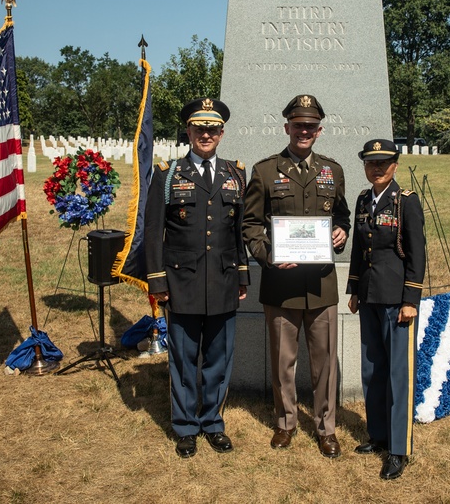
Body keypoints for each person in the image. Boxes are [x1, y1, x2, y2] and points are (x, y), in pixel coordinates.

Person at [242, 94, 351, 458]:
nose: (303, 131)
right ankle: (285, 422)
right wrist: (268, 254)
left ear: (318, 131)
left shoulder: (332, 171)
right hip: (280, 285)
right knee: (282, 360)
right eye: (297, 125)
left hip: (321, 284)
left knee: (324, 365)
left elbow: (342, 216)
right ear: (287, 127)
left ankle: (326, 428)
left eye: (310, 126)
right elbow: (251, 224)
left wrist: (341, 233)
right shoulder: (265, 171)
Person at [145, 97, 249, 459]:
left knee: (219, 358)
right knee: (184, 358)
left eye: (212, 129)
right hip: (182, 282)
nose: (205, 134)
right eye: (199, 128)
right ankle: (186, 426)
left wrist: (242, 276)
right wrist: (157, 281)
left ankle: (213, 422)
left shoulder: (236, 174)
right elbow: (153, 230)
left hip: (222, 280)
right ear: (188, 131)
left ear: (221, 133)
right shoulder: (168, 173)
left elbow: (237, 232)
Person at [346, 139, 426, 480]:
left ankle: (398, 448)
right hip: (369, 297)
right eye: (370, 163)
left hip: (396, 300)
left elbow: (417, 253)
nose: (376, 168)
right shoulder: (364, 200)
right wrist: (352, 287)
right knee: (372, 370)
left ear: (394, 164)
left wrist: (410, 300)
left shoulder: (406, 201)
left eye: (383, 163)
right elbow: (358, 248)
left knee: (397, 376)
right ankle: (378, 435)